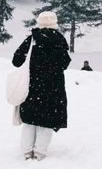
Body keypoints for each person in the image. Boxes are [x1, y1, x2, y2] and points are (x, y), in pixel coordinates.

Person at [12, 11, 71, 161]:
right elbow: (64, 63)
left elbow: (16, 60)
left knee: (29, 121)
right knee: (46, 121)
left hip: (32, 86)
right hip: (53, 87)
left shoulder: (32, 40)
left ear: (39, 23)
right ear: (54, 24)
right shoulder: (59, 40)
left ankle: (26, 152)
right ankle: (39, 152)